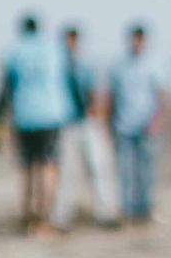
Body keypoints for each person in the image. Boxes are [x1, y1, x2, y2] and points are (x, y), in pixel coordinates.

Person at [0, 14, 73, 232]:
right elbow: (68, 82)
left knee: (27, 168)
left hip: (24, 116)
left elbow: (5, 89)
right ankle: (44, 217)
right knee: (48, 166)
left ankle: (27, 215)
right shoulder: (55, 50)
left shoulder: (14, 52)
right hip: (51, 115)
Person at [51, 25, 120, 230]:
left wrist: (100, 119)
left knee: (99, 168)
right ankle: (62, 215)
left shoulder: (86, 65)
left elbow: (95, 93)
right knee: (67, 172)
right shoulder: (56, 66)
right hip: (66, 123)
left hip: (88, 122)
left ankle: (105, 212)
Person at [110, 22, 169, 227]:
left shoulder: (154, 64)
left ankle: (146, 209)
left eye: (140, 39)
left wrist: (157, 121)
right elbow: (111, 96)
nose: (137, 43)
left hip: (147, 127)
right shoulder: (120, 66)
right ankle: (127, 210)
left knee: (147, 171)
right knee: (125, 171)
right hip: (124, 126)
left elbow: (163, 95)